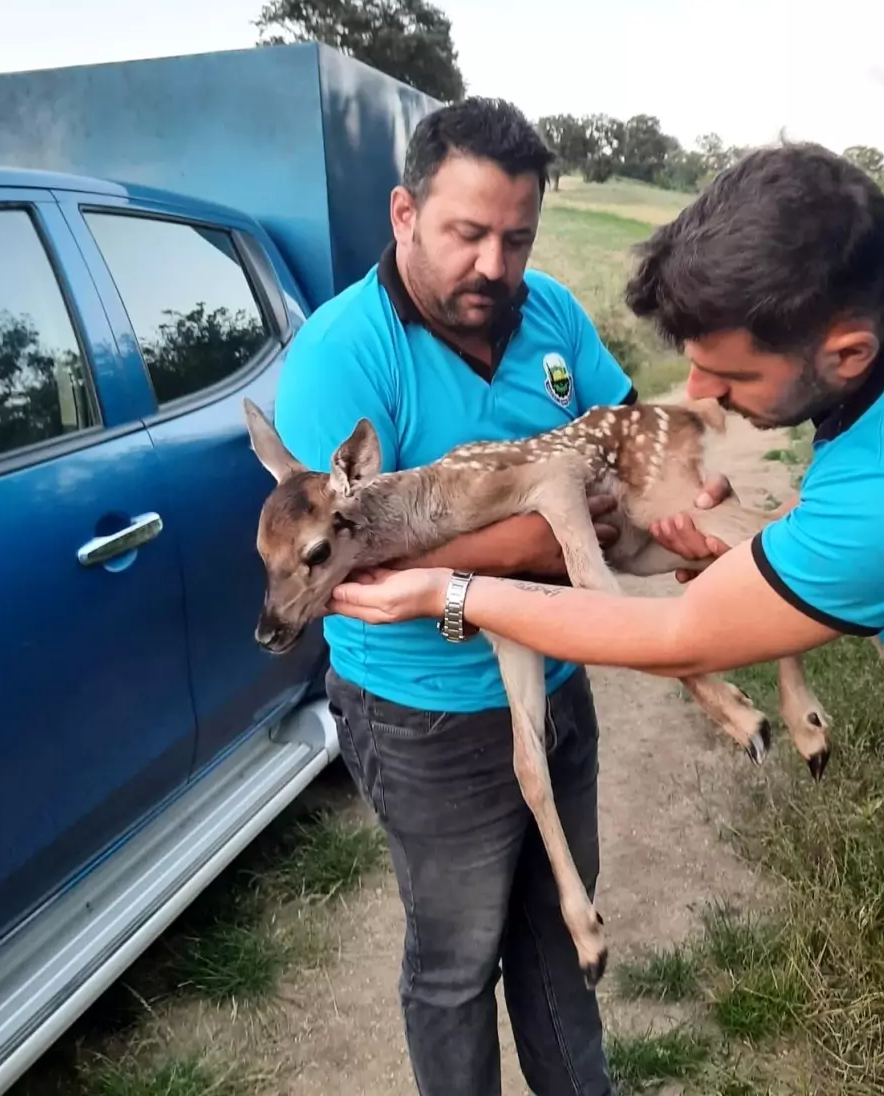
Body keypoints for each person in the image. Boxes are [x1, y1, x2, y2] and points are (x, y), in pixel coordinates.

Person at [328, 141, 884, 1096]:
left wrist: (447, 592)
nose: (698, 399)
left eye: (731, 382)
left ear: (846, 353)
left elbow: (676, 636)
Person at [273, 96, 723, 1096]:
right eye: (466, 234)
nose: (493, 266)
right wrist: (545, 536)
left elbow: (615, 440)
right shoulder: (340, 362)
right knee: (456, 966)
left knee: (564, 952)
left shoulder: (552, 312)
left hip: (556, 676)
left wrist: (661, 495)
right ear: (403, 214)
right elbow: (357, 576)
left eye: (515, 238)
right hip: (426, 716)